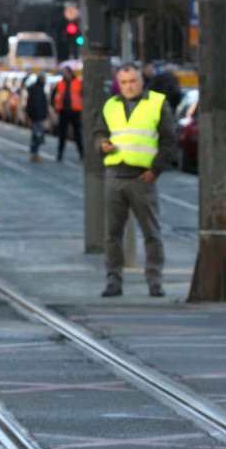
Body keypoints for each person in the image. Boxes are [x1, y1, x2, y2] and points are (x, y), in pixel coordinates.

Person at [94, 64, 178, 298]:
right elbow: (98, 132)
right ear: (118, 84)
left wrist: (156, 170)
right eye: (124, 82)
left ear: (142, 81)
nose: (129, 86)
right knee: (112, 235)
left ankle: (154, 281)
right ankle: (113, 281)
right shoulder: (110, 105)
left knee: (151, 233)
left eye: (133, 81)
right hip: (115, 177)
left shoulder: (157, 103)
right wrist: (102, 145)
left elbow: (169, 140)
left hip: (143, 178)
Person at [50, 65, 84, 161]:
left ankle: (81, 153)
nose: (63, 74)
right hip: (63, 112)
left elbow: (84, 95)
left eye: (65, 72)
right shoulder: (60, 83)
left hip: (75, 112)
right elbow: (53, 95)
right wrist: (55, 106)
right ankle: (60, 154)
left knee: (77, 134)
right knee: (62, 134)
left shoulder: (78, 82)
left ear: (70, 72)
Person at [24, 73, 48, 162]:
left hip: (35, 117)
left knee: (36, 135)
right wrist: (38, 117)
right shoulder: (38, 90)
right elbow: (37, 105)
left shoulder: (35, 89)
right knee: (37, 136)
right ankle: (35, 154)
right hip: (37, 118)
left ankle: (34, 153)